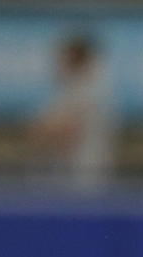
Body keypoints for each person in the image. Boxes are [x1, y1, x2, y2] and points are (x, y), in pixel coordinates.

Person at [27, 33, 117, 186]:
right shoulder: (68, 88)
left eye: (65, 58)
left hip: (83, 177)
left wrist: (46, 130)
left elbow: (66, 130)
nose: (59, 64)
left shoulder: (94, 88)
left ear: (75, 58)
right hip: (66, 175)